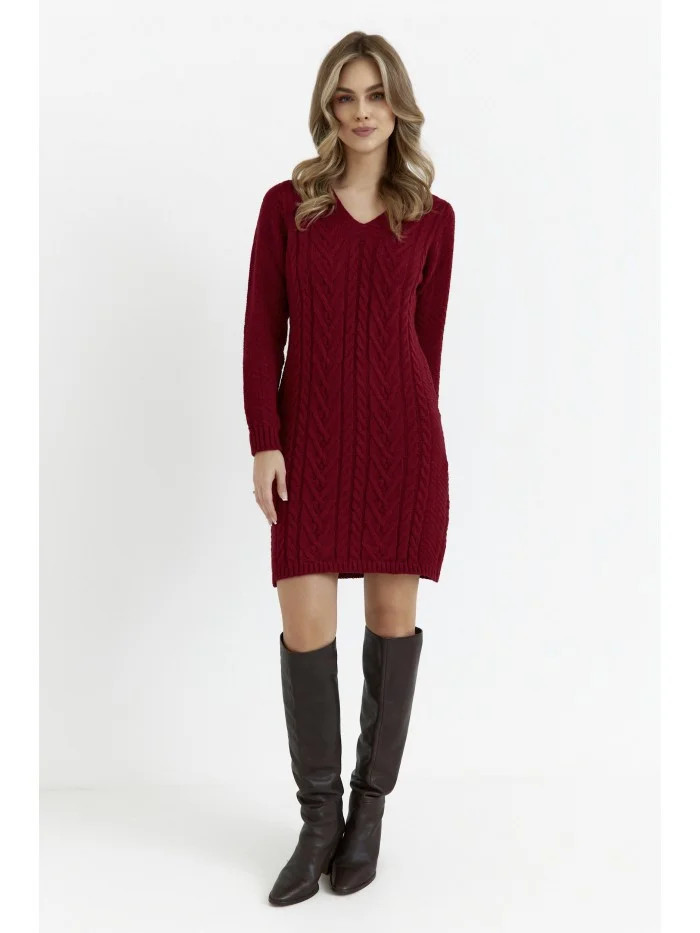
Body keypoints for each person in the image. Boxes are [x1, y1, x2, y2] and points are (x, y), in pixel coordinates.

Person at [242, 31, 455, 907]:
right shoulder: (287, 207)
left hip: (403, 445)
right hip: (309, 446)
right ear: (327, 108)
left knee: (392, 627)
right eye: (345, 96)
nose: (361, 111)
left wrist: (416, 446)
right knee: (306, 631)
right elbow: (263, 330)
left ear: (397, 104)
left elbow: (427, 349)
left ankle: (368, 813)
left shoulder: (432, 218)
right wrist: (265, 439)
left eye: (375, 94)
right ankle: (317, 820)